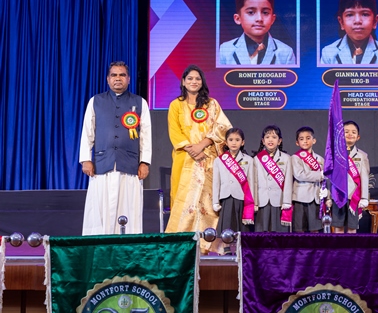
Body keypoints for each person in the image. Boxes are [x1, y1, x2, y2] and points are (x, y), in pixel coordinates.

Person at [79, 61, 151, 235]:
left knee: (129, 208)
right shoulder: (95, 101)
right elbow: (87, 132)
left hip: (130, 165)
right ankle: (99, 244)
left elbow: (146, 135)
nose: (118, 78)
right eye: (114, 75)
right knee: (100, 210)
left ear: (129, 79)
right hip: (102, 165)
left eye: (122, 75)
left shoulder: (140, 102)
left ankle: (127, 244)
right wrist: (86, 159)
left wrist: (144, 162)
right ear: (108, 79)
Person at [166, 65, 232, 252]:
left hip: (209, 160)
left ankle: (207, 245)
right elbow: (175, 132)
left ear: (202, 82)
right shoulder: (176, 105)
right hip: (185, 160)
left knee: (207, 203)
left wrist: (202, 145)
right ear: (183, 82)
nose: (193, 82)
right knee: (184, 201)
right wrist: (192, 150)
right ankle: (180, 246)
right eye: (190, 78)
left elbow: (223, 128)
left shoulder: (212, 104)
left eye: (197, 78)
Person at [219, 0, 296, 66]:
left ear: (272, 19)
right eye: (251, 12)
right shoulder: (225, 50)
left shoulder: (286, 53)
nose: (259, 19)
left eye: (265, 13)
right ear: (238, 18)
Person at [321, 0, 378, 65]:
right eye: (350, 15)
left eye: (365, 14)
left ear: (375, 21)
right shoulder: (328, 53)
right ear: (341, 22)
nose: (357, 21)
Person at [212, 128, 255, 255]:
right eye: (231, 140)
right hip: (226, 196)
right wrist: (215, 201)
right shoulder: (219, 160)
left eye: (237, 140)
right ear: (226, 142)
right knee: (227, 223)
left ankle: (239, 248)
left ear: (242, 142)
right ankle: (226, 248)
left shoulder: (249, 160)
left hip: (242, 197)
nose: (234, 143)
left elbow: (251, 182)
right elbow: (216, 182)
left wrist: (254, 202)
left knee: (240, 225)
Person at [282, 127, 325, 233]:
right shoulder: (295, 158)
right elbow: (300, 175)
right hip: (300, 198)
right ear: (297, 142)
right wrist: (319, 175)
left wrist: (327, 196)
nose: (305, 141)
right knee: (299, 230)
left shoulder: (320, 159)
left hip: (316, 198)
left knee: (315, 230)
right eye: (301, 139)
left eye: (308, 138)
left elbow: (325, 181)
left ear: (314, 140)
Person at [331, 121, 370, 234]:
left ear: (358, 137)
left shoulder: (362, 156)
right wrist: (328, 196)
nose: (350, 134)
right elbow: (330, 176)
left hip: (354, 196)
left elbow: (364, 177)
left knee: (352, 228)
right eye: (346, 132)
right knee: (338, 227)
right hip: (338, 196)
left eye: (353, 132)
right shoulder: (334, 154)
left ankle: (351, 246)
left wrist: (364, 197)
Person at [253, 125, 292, 232]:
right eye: (267, 137)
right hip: (262, 201)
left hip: (279, 201)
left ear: (279, 141)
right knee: (262, 232)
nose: (270, 140)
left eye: (274, 137)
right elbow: (254, 182)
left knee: (280, 233)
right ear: (263, 141)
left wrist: (287, 201)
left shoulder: (286, 158)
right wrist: (254, 202)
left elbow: (288, 182)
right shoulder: (256, 159)